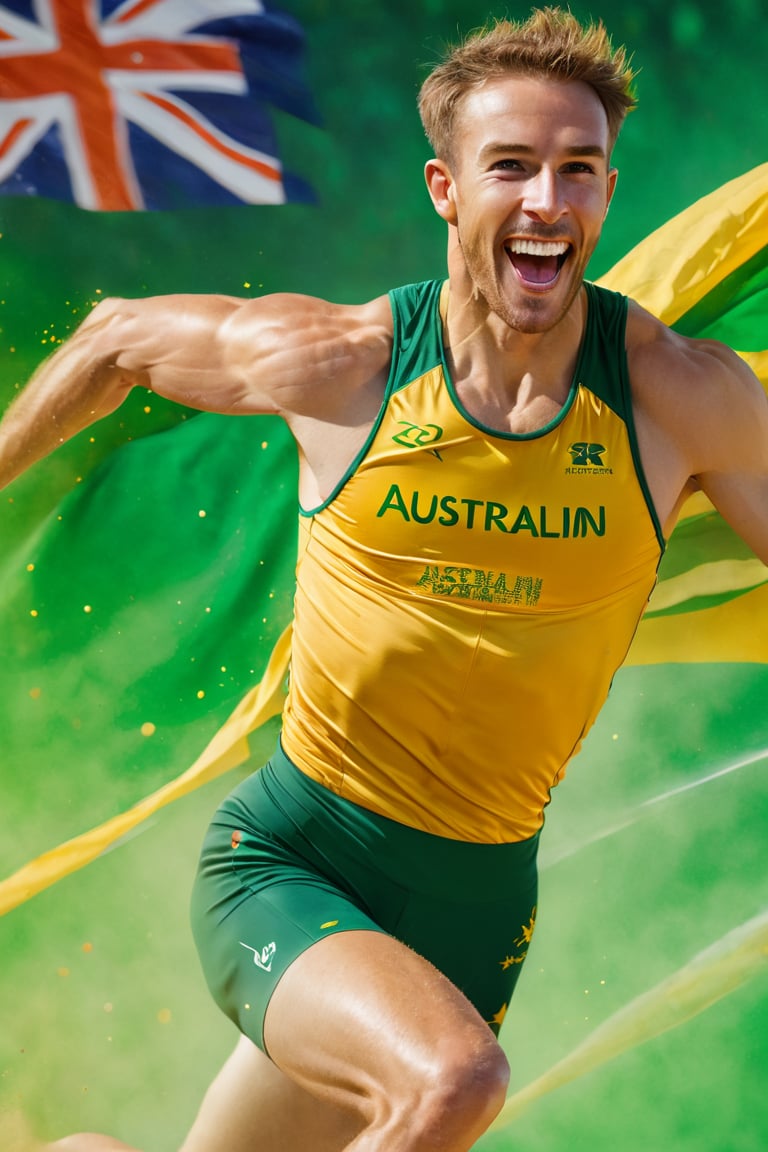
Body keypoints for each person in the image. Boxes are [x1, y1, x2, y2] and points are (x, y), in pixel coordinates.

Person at [2, 8, 767, 1152]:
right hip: (293, 860)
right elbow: (115, 338)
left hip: (478, 912)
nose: (547, 201)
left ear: (607, 192)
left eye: (579, 171)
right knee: (454, 1085)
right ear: (447, 189)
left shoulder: (680, 398)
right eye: (510, 166)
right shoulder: (346, 366)